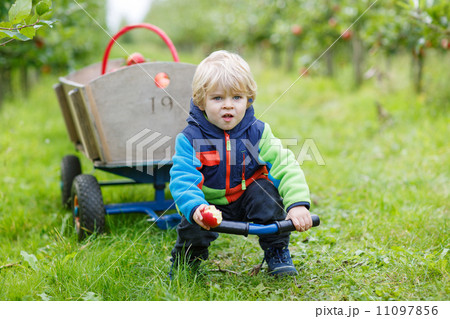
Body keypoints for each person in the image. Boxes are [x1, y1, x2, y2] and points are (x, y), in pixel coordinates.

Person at [169, 50, 312, 277]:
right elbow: (182, 179)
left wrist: (297, 204)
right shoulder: (190, 138)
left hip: (247, 195)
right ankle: (187, 259)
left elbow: (285, 165)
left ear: (248, 99)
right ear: (201, 101)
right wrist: (196, 208)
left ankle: (276, 250)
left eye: (236, 98)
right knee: (192, 225)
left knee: (267, 194)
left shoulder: (258, 131)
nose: (228, 105)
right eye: (218, 98)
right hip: (209, 202)